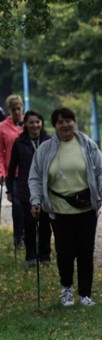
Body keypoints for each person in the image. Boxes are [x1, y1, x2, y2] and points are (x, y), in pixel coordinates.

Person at [28, 107, 102, 306]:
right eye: (60, 122)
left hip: (86, 209)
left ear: (74, 123)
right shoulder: (45, 149)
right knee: (65, 252)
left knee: (85, 251)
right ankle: (66, 289)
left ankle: (85, 294)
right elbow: (35, 178)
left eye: (69, 121)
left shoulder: (88, 145)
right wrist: (36, 201)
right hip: (58, 211)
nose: (65, 125)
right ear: (55, 126)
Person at [7, 110, 52, 266]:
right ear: (25, 124)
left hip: (47, 189)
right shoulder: (19, 142)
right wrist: (10, 189)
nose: (35, 125)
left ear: (42, 123)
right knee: (29, 224)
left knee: (46, 224)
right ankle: (31, 256)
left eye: (38, 122)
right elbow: (12, 168)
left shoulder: (49, 140)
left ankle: (45, 255)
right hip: (26, 190)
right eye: (31, 122)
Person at [0, 94, 25, 249]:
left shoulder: (28, 123)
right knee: (17, 206)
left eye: (19, 108)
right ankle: (18, 237)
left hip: (28, 171)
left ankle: (31, 236)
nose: (17, 111)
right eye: (13, 109)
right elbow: (0, 152)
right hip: (12, 173)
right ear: (9, 110)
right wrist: (2, 171)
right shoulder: (2, 127)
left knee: (29, 205)